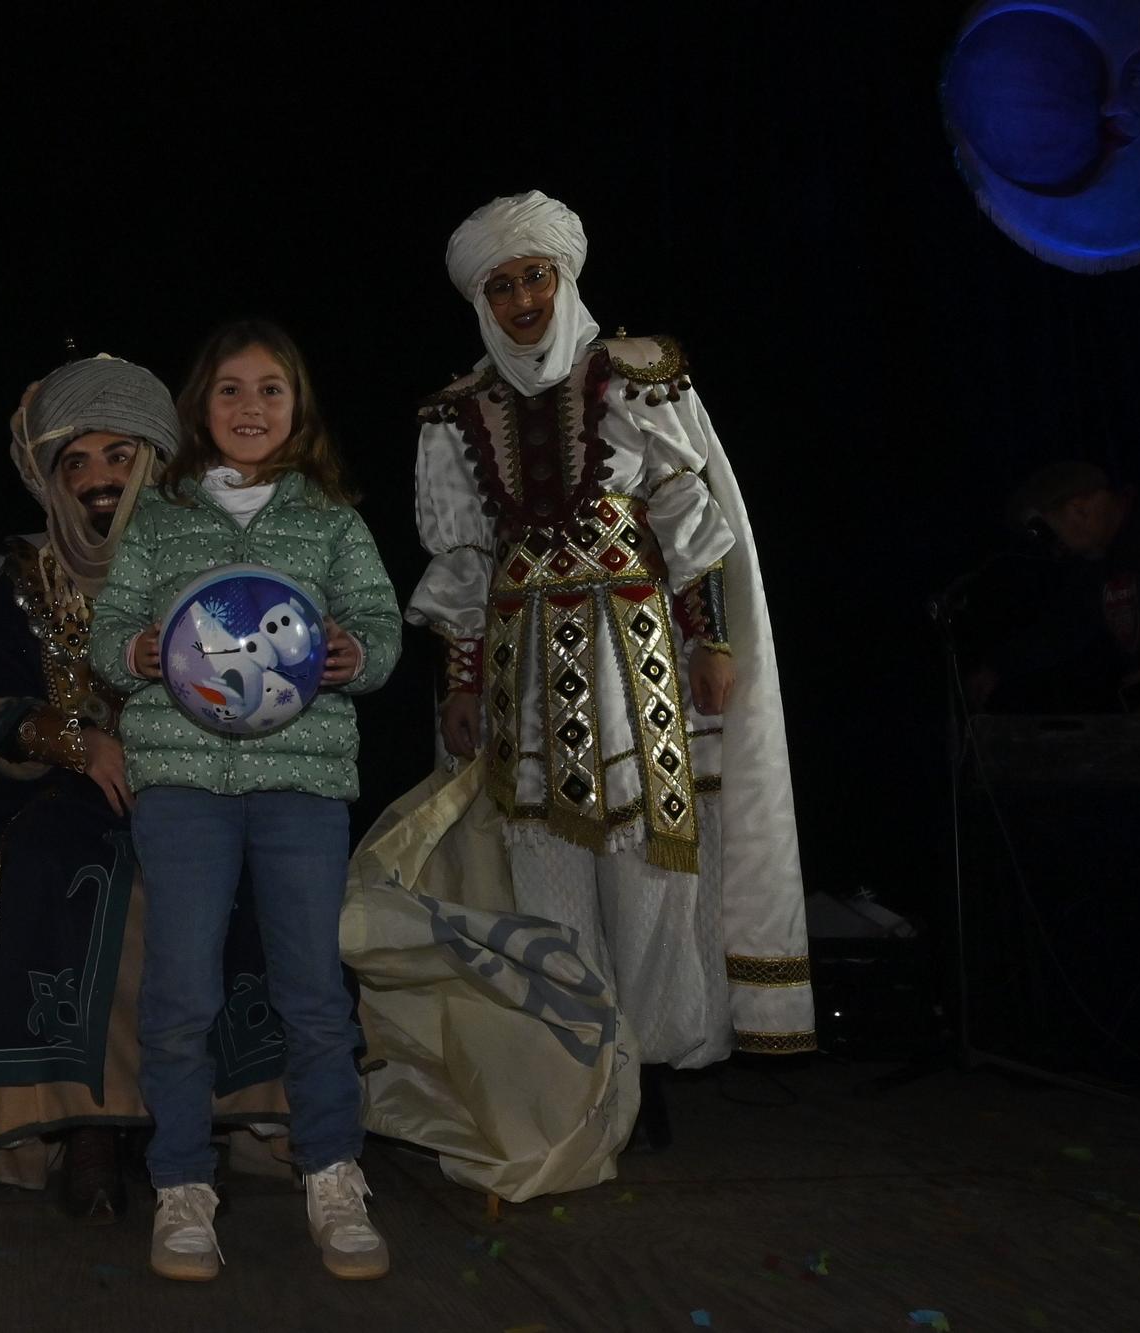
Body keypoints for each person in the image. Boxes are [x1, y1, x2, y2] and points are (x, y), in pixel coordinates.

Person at [407, 191, 813, 1145]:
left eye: (534, 277)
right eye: (501, 285)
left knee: (649, 865)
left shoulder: (636, 377)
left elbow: (687, 518)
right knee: (542, 868)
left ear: (566, 277)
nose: (521, 300)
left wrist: (712, 641)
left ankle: (652, 1064)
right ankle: (579, 1069)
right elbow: (462, 566)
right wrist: (462, 682)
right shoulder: (455, 413)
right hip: (520, 675)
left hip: (636, 664)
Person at [0, 355, 287, 1222]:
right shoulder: (11, 578)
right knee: (67, 859)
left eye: (117, 458)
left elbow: (264, 682)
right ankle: (86, 1131)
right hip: (40, 794)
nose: (96, 480)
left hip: (198, 784)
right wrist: (75, 740)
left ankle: (193, 1122)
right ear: (48, 478)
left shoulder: (211, 561)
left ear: (156, 464)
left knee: (222, 854)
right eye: (75, 463)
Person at [88, 320, 402, 1282]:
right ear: (200, 407)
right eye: (230, 389)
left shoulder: (333, 521)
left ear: (297, 407)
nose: (251, 407)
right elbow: (108, 634)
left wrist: (358, 654)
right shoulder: (159, 518)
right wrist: (136, 653)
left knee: (313, 991)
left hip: (301, 784)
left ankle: (334, 1178)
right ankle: (183, 1186)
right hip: (181, 784)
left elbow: (382, 628)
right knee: (181, 994)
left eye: (271, 389)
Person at [971, 461, 1140, 713]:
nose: (1054, 550)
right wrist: (998, 667)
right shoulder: (1093, 564)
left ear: (1079, 510)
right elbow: (1067, 626)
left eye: (1046, 534)